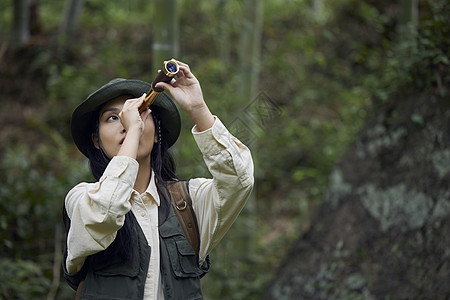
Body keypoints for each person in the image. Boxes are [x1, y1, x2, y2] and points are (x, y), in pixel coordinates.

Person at [62, 59, 254, 299]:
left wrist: (198, 109)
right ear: (96, 140)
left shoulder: (189, 203)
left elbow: (239, 180)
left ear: (156, 135)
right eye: (112, 118)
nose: (126, 121)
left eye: (140, 113)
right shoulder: (81, 199)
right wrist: (133, 130)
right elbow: (107, 211)